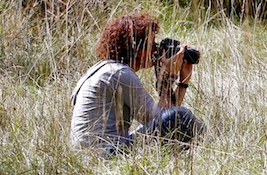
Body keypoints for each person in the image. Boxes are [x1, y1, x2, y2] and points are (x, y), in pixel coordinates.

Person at [70, 12, 204, 155]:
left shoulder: (103, 69)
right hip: (104, 154)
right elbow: (165, 119)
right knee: (181, 117)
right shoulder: (119, 73)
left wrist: (183, 82)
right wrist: (168, 76)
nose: (156, 50)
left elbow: (164, 122)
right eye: (152, 44)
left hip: (93, 153)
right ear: (137, 49)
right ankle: (207, 145)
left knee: (176, 117)